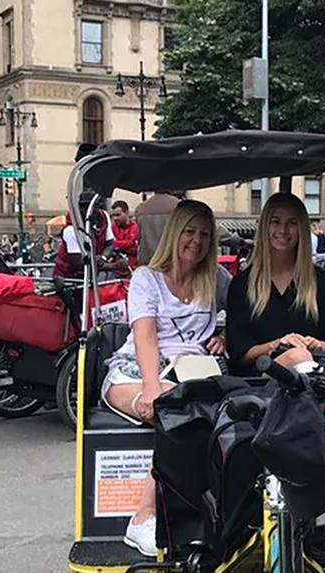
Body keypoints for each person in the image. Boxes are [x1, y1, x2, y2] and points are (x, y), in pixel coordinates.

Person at [99, 200, 232, 557]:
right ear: (175, 234)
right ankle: (143, 517)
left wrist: (226, 334)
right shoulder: (147, 278)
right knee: (178, 409)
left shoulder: (216, 278)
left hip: (191, 377)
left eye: (205, 234)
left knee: (204, 410)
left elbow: (244, 313)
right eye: (189, 231)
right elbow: (144, 335)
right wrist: (152, 386)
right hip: (136, 372)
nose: (197, 241)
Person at [226, 193, 325, 374]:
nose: (283, 230)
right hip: (261, 382)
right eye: (275, 222)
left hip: (320, 370)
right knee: (296, 356)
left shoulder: (323, 282)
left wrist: (318, 346)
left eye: (292, 223)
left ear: (301, 229)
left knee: (301, 357)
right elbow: (240, 354)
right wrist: (277, 344)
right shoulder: (242, 285)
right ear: (265, 227)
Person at [136, 190, 251, 266]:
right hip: (176, 265)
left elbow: (139, 239)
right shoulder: (181, 207)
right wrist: (241, 241)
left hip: (149, 263)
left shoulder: (141, 209)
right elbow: (213, 231)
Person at [110, 200, 140, 267]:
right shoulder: (113, 227)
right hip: (116, 266)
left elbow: (130, 243)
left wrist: (116, 244)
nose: (115, 218)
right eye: (113, 216)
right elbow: (110, 244)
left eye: (118, 215)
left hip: (133, 266)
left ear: (126, 213)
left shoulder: (134, 227)